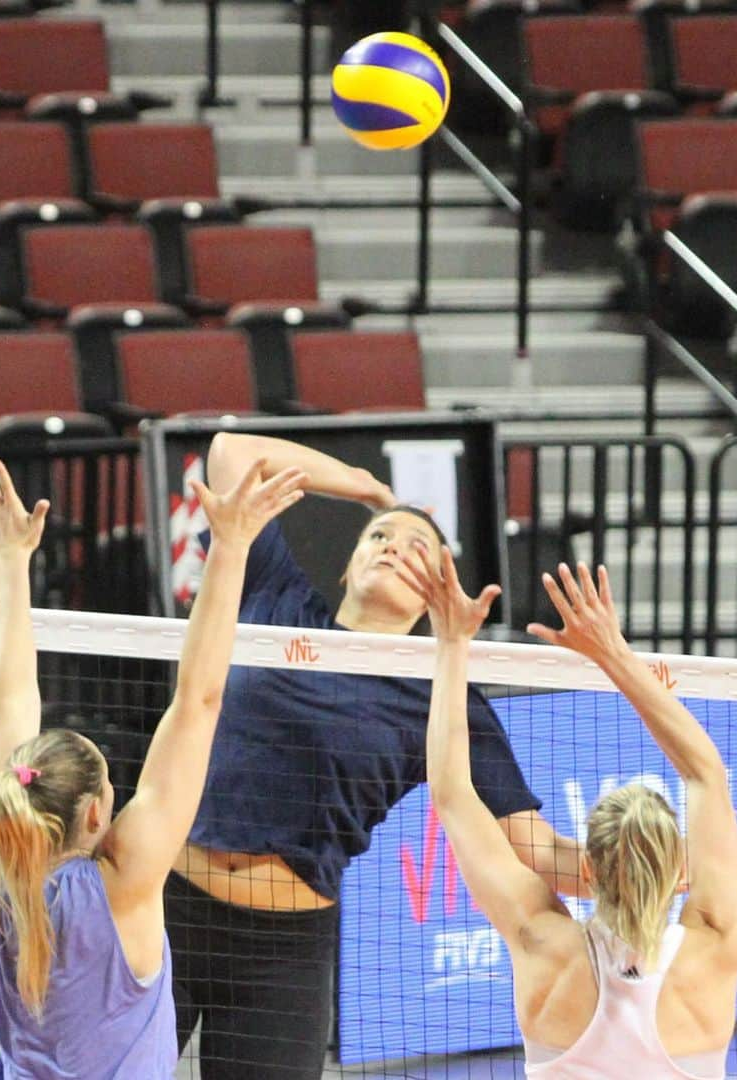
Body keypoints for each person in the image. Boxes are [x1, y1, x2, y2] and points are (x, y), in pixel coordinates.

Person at [165, 432, 585, 1078]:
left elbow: (542, 852)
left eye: (418, 547)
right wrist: (362, 486)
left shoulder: (439, 694)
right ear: (346, 566)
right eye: (378, 538)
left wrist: (655, 872)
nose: (393, 547)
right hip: (172, 912)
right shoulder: (277, 598)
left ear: (435, 591)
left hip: (283, 957)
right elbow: (227, 452)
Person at [0, 453, 307, 1079]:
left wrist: (10, 561)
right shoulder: (124, 885)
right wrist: (230, 549)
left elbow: (11, 704)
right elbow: (198, 700)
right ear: (96, 811)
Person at [400, 550, 737, 1079]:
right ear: (681, 872)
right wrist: (614, 655)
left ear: (586, 871)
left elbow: (452, 794)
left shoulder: (544, 943)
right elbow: (705, 773)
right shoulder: (714, 944)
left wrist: (451, 643)